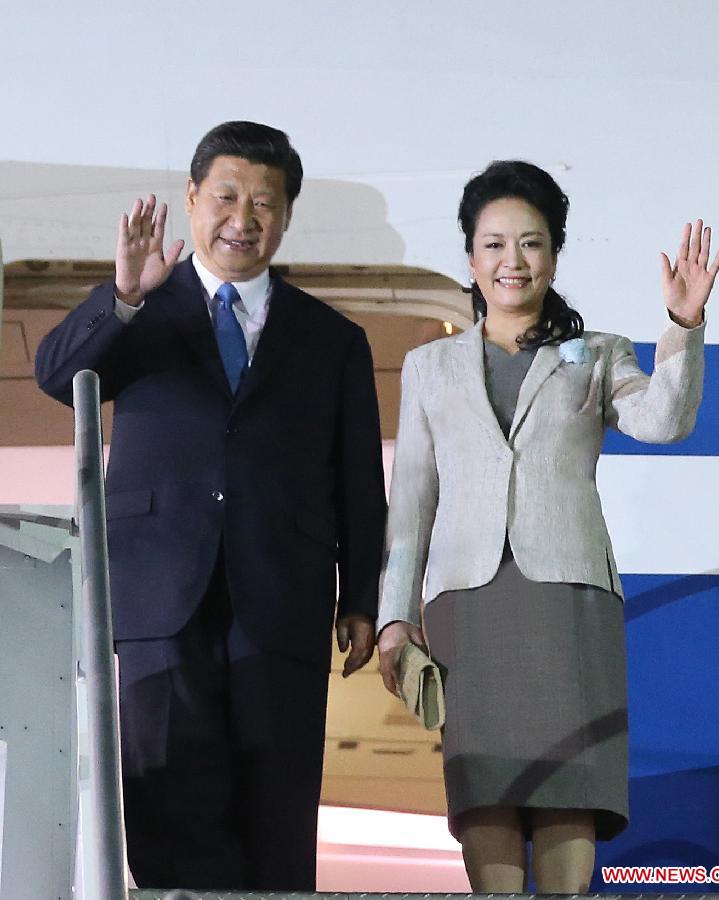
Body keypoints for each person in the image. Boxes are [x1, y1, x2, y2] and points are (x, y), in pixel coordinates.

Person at [35, 121, 387, 892]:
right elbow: (57, 377)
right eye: (225, 196)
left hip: (281, 600)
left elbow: (359, 482)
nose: (243, 218)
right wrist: (124, 293)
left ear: (287, 215)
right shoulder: (142, 314)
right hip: (157, 597)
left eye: (264, 202)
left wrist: (362, 596)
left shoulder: (332, 339)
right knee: (167, 811)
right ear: (192, 199)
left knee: (277, 819)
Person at [377, 160, 719, 893]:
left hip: (567, 598)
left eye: (530, 243)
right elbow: (409, 504)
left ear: (554, 253)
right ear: (469, 257)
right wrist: (393, 620)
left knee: (571, 787)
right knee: (485, 796)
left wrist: (682, 324)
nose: (512, 261)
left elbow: (663, 421)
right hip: (466, 603)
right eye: (494, 243)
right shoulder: (428, 366)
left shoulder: (595, 353)